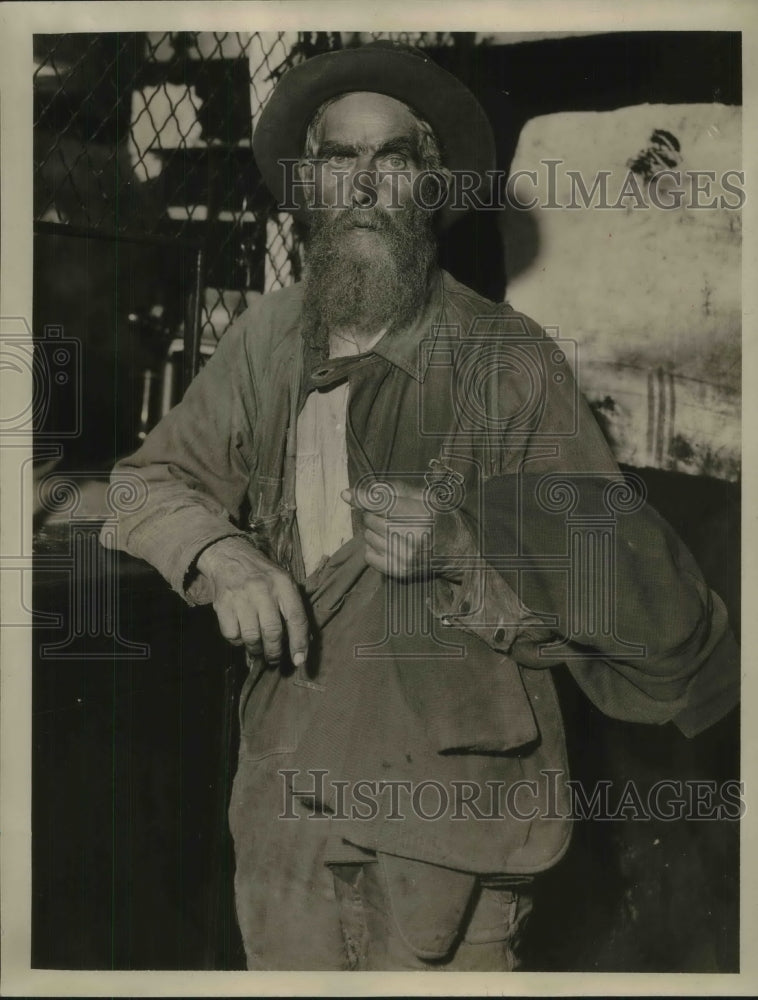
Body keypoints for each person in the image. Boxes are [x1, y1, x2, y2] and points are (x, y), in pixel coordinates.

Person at [103, 41, 739, 971]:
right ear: (307, 186)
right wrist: (217, 554)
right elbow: (144, 484)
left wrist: (469, 552)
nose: (361, 185)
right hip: (285, 813)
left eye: (391, 159)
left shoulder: (508, 362)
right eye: (338, 159)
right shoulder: (268, 339)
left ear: (428, 190)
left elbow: (650, 619)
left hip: (445, 836)